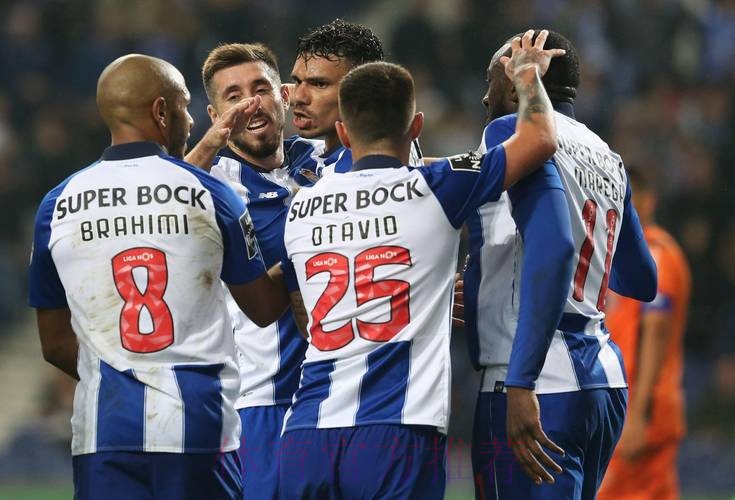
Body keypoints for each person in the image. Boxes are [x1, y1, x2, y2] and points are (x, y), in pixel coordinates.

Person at [278, 31, 564, 499]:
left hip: (305, 431)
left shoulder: (300, 205)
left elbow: (304, 315)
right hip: (396, 428)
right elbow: (540, 138)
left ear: (344, 133)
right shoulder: (438, 184)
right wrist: (528, 76)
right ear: (416, 128)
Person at [28, 54, 289, 500]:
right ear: (161, 111)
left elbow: (53, 344)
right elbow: (264, 308)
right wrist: (306, 248)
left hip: (103, 433)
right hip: (199, 428)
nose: (191, 120)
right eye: (185, 106)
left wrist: (120, 373)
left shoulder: (56, 205)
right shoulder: (212, 193)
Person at [464, 31, 657, 500]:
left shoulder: (510, 129)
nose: (485, 96)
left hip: (533, 378)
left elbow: (553, 248)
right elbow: (641, 278)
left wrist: (521, 380)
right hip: (602, 379)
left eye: (491, 79)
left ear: (517, 80)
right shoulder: (607, 155)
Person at [184, 42, 321, 500]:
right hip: (264, 401)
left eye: (260, 89)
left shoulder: (324, 160)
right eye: (234, 96)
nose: (250, 104)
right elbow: (164, 202)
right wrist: (210, 142)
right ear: (214, 115)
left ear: (284, 95)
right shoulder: (209, 185)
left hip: (342, 395)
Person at [598, 168, 691, 500]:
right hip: (630, 405)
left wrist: (637, 415)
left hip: (644, 411)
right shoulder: (623, 256)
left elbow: (655, 332)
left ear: (649, 201)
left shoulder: (656, 253)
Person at [290, 18, 422, 177]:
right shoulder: (299, 152)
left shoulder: (352, 174)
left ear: (362, 89)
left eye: (319, 84)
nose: (298, 97)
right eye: (297, 81)